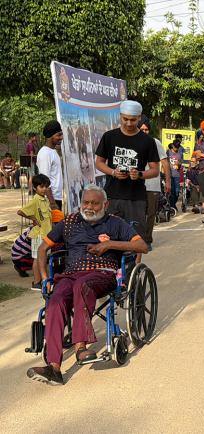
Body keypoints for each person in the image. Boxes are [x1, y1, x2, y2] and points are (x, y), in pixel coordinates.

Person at [26, 185, 148, 385]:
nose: (89, 207)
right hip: (70, 274)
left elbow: (141, 246)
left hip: (102, 274)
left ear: (105, 205)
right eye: (86, 202)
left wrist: (108, 244)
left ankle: (81, 347)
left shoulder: (115, 223)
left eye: (94, 203)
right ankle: (53, 368)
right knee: (55, 300)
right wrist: (45, 278)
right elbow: (42, 248)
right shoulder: (69, 222)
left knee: (82, 285)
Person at [94, 100, 161, 245]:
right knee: (109, 236)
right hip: (112, 196)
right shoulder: (109, 136)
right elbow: (99, 162)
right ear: (120, 116)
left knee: (136, 239)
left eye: (133, 120)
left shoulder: (147, 141)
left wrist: (140, 174)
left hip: (136, 198)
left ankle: (134, 260)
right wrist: (113, 172)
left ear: (139, 118)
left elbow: (155, 170)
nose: (129, 123)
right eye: (125, 119)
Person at [17, 175, 53, 290]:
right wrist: (33, 218)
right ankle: (37, 282)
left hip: (46, 234)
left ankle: (43, 280)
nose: (44, 189)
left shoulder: (45, 199)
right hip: (38, 235)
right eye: (41, 187)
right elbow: (20, 212)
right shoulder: (35, 200)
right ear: (34, 188)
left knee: (43, 259)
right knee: (37, 259)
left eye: (46, 186)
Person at [139, 116, 171, 249]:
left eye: (146, 130)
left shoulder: (155, 142)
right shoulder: (132, 142)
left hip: (153, 185)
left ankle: (147, 240)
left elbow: (165, 162)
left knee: (151, 214)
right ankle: (138, 240)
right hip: (136, 185)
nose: (144, 132)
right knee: (139, 214)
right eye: (141, 129)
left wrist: (168, 181)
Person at [37, 121, 64, 210]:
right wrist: (52, 203)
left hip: (56, 197)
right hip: (50, 200)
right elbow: (44, 181)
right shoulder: (45, 153)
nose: (61, 137)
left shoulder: (53, 151)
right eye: (59, 135)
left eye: (61, 134)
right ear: (50, 136)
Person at [167, 134, 186, 211]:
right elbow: (165, 162)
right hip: (169, 174)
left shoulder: (180, 153)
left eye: (178, 148)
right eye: (175, 147)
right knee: (171, 191)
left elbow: (181, 162)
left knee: (177, 192)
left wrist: (179, 164)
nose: (177, 149)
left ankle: (173, 204)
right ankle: (172, 206)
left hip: (177, 175)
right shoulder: (168, 152)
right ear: (173, 146)